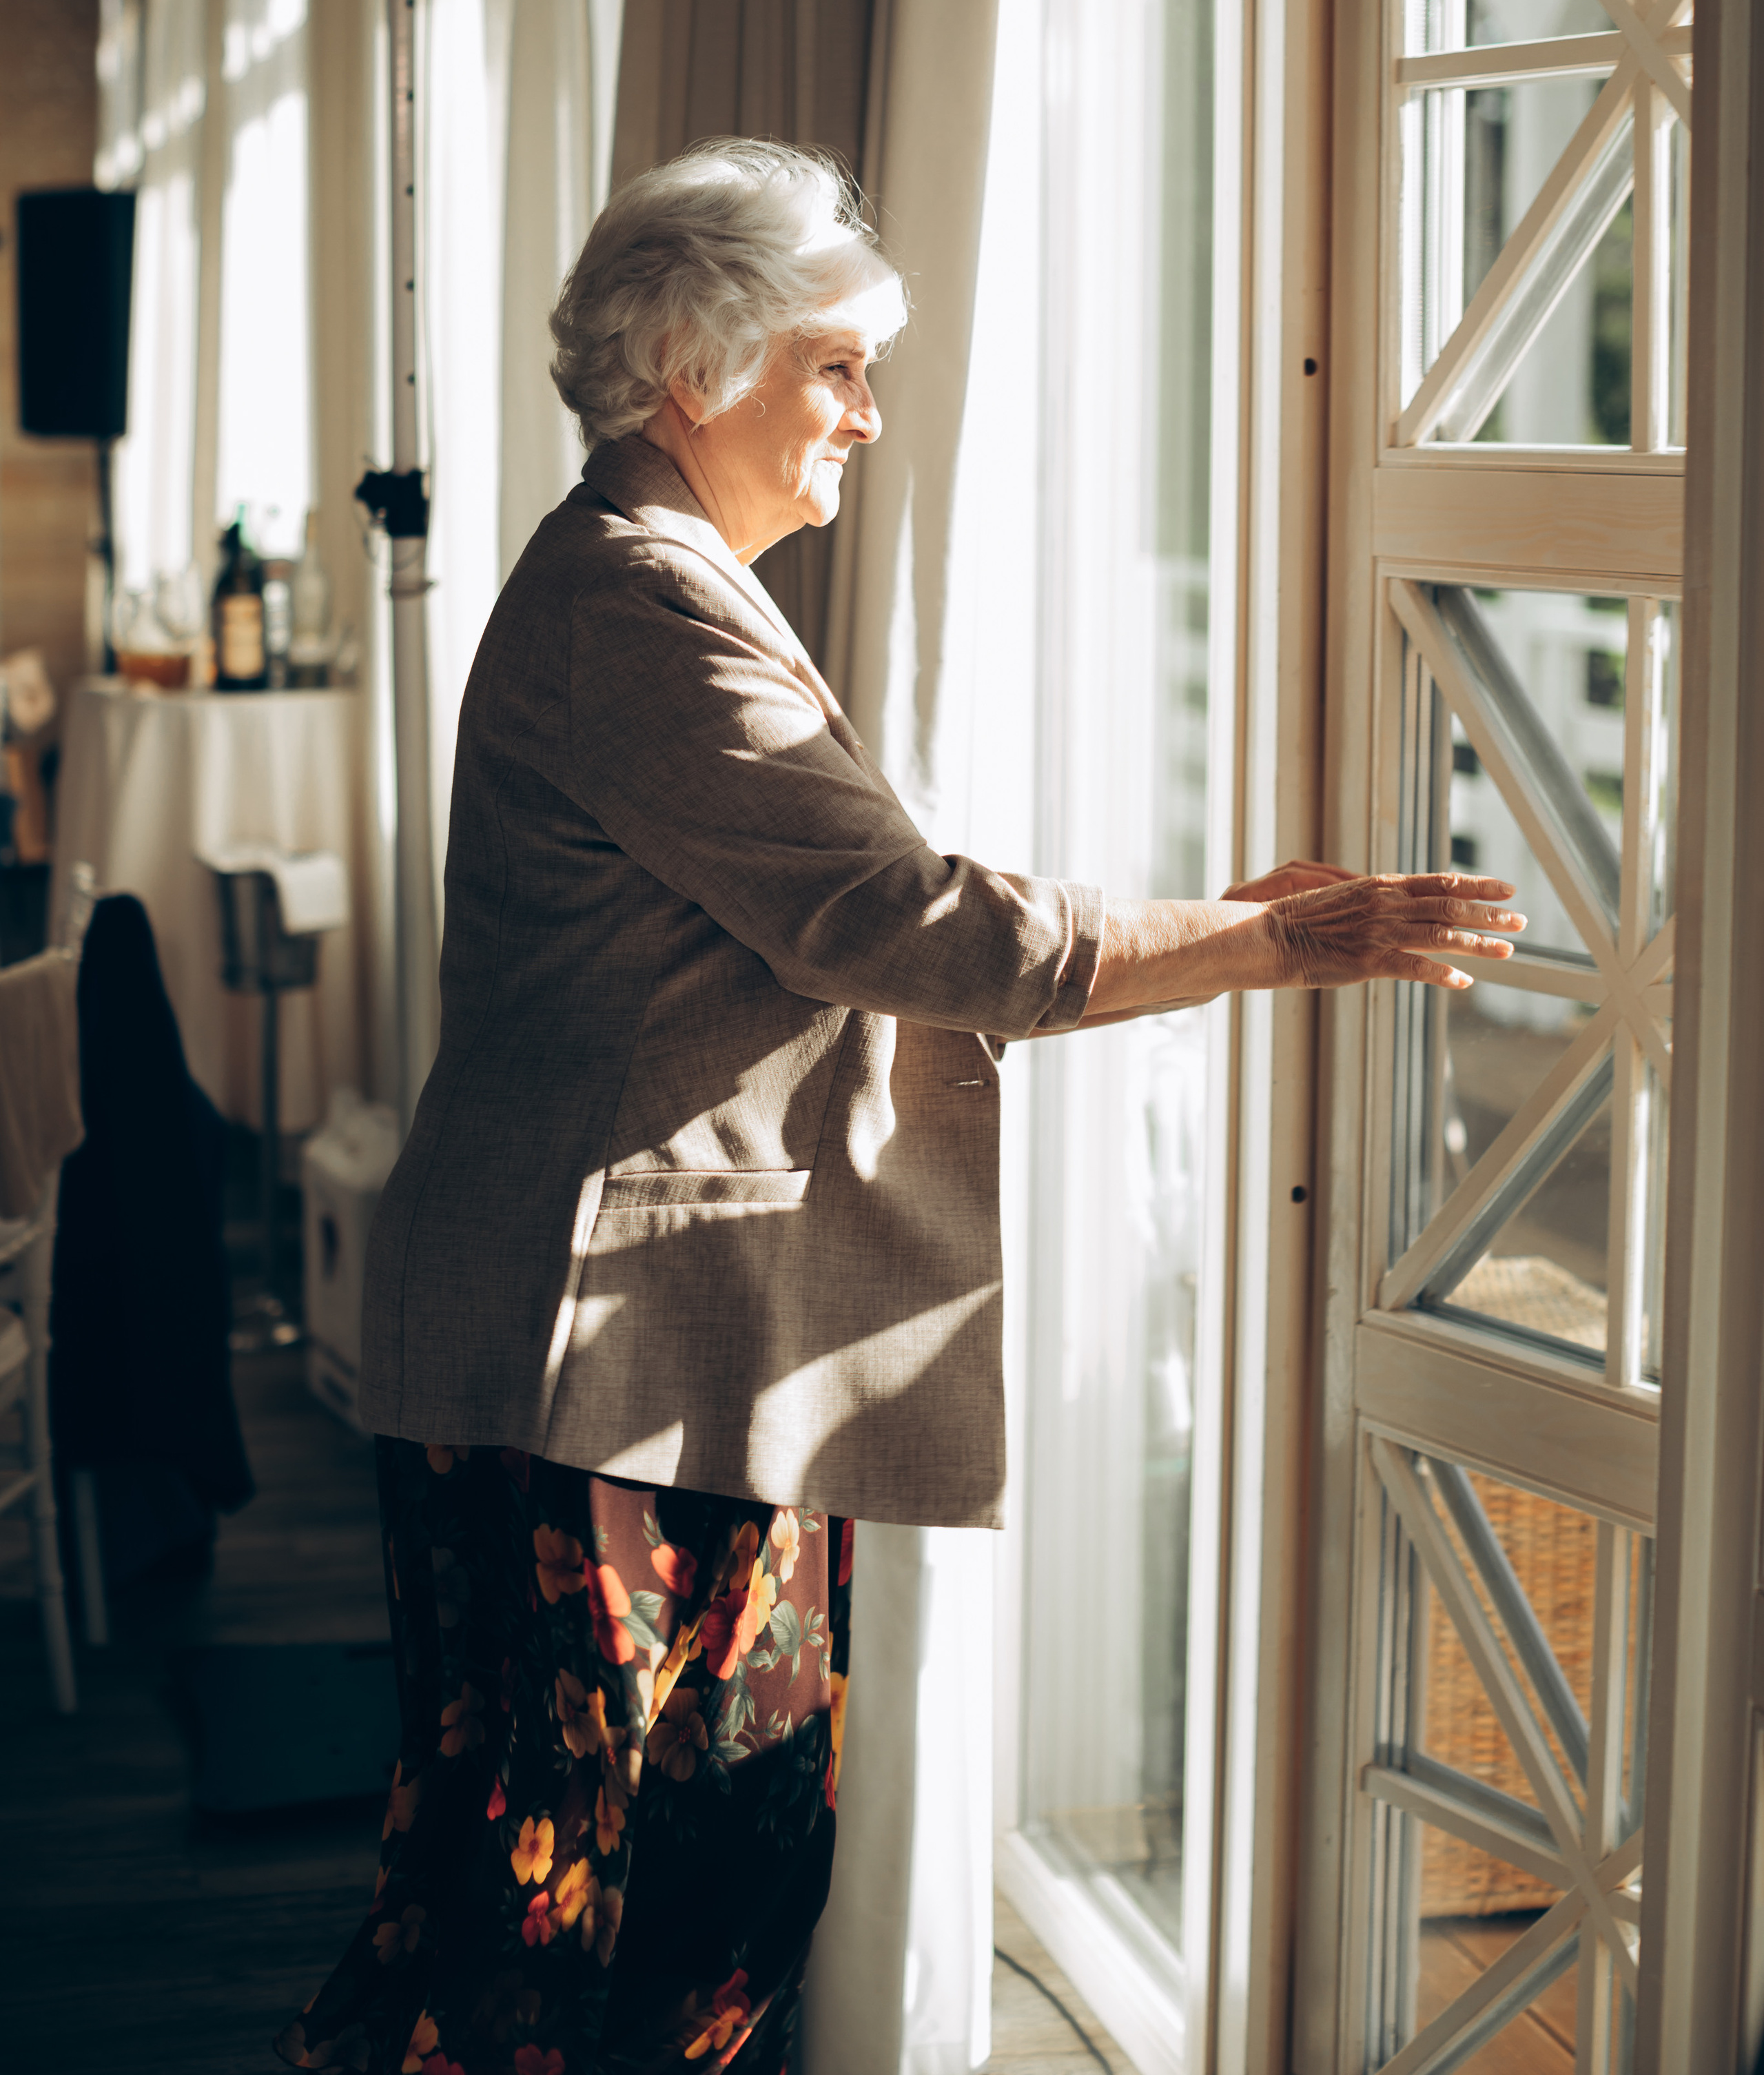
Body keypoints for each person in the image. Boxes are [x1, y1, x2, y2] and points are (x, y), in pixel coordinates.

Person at [277, 140, 1521, 2075]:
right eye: (838, 368)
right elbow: (909, 924)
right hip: (584, 1366)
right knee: (550, 1920)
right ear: (694, 370)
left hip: (647, 1351)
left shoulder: (656, 577)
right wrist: (1274, 939)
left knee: (696, 1881)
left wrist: (1233, 931)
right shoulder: (642, 605)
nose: (865, 415)